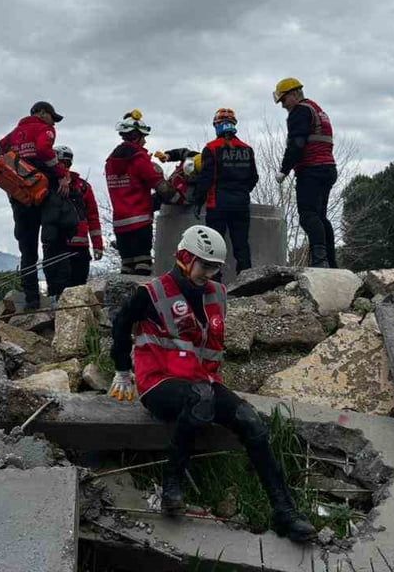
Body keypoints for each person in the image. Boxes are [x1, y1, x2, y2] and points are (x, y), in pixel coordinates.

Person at [107, 225, 317, 542]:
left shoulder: (216, 294)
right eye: (205, 265)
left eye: (216, 267)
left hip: (202, 382)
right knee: (199, 397)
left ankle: (285, 512)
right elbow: (121, 326)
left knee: (252, 423)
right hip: (158, 384)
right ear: (185, 257)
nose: (210, 273)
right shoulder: (151, 293)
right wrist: (123, 370)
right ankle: (172, 486)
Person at [0, 101, 69, 308]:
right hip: (43, 190)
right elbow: (44, 150)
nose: (53, 122)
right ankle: (57, 296)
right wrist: (62, 174)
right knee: (51, 242)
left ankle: (31, 299)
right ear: (41, 113)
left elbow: (2, 147)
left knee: (27, 249)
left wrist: (18, 167)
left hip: (21, 195)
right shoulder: (44, 130)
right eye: (51, 117)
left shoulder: (13, 133)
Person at [273, 78, 338, 268]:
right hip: (328, 168)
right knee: (321, 217)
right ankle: (331, 263)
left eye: (284, 100)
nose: (283, 106)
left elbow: (297, 143)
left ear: (293, 94)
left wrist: (284, 170)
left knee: (308, 216)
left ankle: (320, 262)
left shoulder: (299, 112)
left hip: (312, 170)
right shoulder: (317, 109)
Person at [192, 108, 258, 275]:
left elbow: (206, 178)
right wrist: (242, 191)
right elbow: (254, 177)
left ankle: (214, 282)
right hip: (241, 204)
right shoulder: (246, 149)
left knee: (214, 245)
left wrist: (198, 201)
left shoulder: (211, 148)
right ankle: (247, 282)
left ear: (216, 126)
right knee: (242, 245)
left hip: (218, 204)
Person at [105, 109, 171, 275]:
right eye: (143, 137)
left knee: (127, 268)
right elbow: (159, 185)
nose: (145, 142)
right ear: (136, 136)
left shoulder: (110, 162)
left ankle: (123, 301)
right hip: (140, 224)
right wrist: (175, 195)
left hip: (120, 225)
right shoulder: (139, 159)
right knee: (143, 268)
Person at [56, 145, 105, 288]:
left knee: (76, 287)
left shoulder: (82, 187)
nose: (62, 166)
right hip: (60, 245)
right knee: (62, 288)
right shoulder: (82, 186)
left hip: (75, 247)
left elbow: (93, 217)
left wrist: (98, 245)